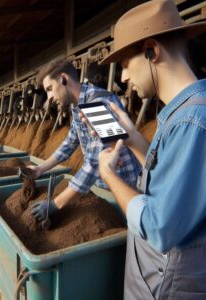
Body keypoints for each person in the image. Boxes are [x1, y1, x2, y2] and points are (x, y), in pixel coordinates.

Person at [90, 0, 206, 299]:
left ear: (151, 51)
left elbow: (159, 226)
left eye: (126, 64)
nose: (124, 78)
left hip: (166, 288)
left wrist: (109, 174)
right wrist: (131, 137)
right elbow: (172, 181)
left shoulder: (192, 122)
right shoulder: (184, 114)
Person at [30, 58, 141, 221]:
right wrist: (40, 169)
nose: (50, 97)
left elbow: (96, 161)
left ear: (64, 79)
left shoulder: (96, 102)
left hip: (126, 187)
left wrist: (56, 204)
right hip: (106, 186)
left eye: (50, 89)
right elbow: (69, 143)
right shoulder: (78, 104)